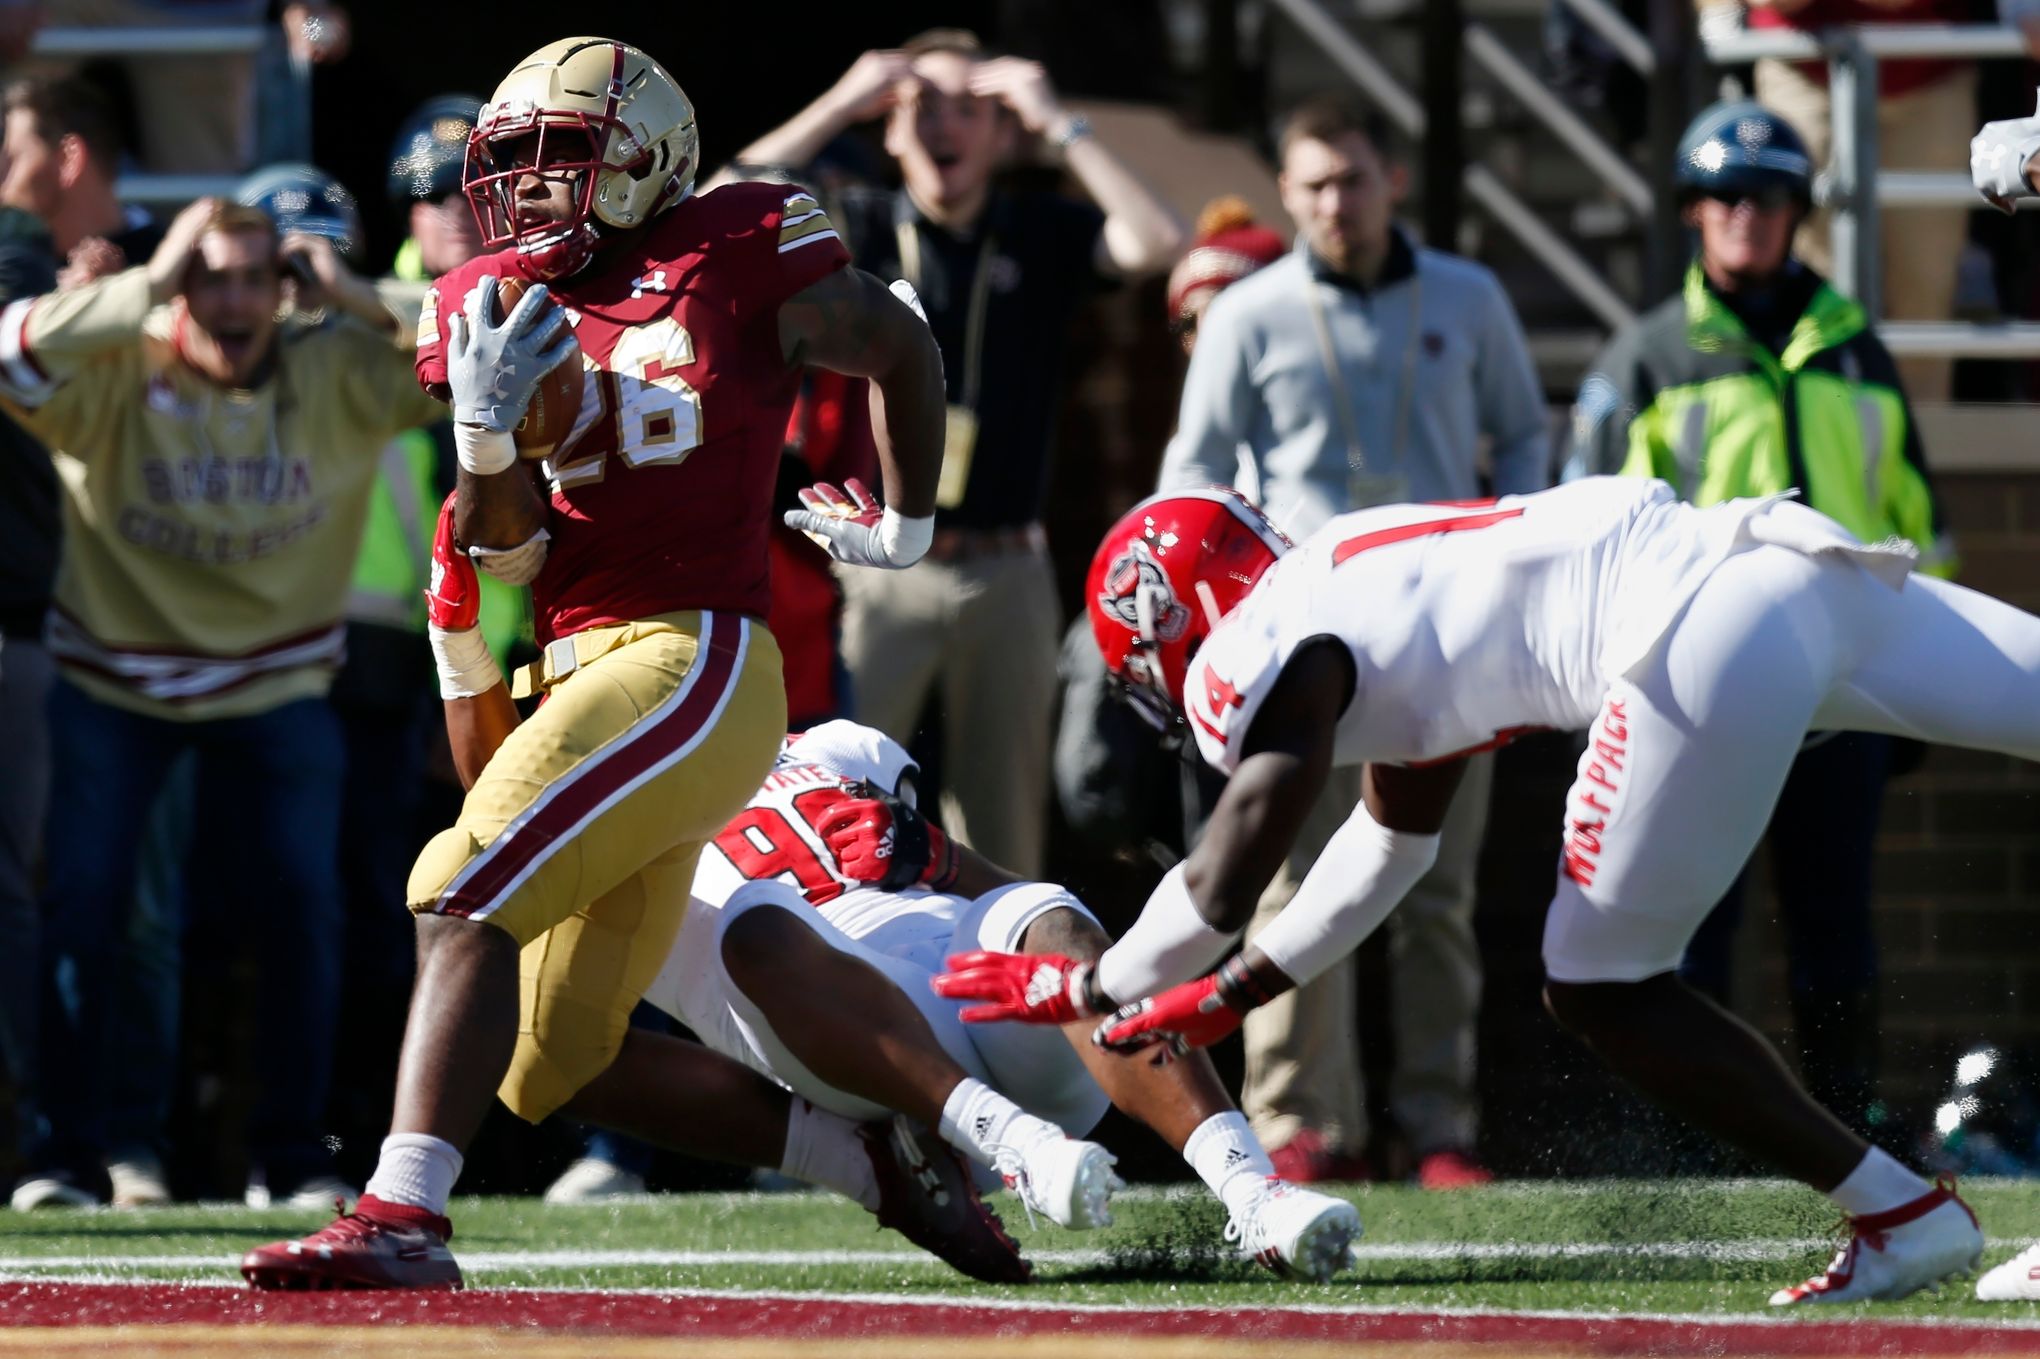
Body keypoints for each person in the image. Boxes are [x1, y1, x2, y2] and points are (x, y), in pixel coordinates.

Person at [937, 474, 2040, 1304]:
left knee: (1600, 984)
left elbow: (1230, 867)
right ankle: (1899, 1213)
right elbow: (1387, 848)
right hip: (1786, 559)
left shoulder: (1254, 647)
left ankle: (1897, 1213)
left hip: (1694, 629)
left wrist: (1093, 981)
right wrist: (1241, 990)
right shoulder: (1353, 577)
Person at [241, 36, 948, 1287]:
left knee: (458, 882)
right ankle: (866, 1163)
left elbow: (897, 338)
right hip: (579, 662)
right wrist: (482, 432)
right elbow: (505, 554)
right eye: (507, 166)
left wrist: (907, 520)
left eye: (559, 160)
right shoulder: (487, 301)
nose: (526, 193)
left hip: (697, 653)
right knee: (549, 1061)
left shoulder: (735, 248)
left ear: (647, 159)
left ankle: (402, 1215)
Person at [0, 192, 442, 1209]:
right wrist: (136, 292)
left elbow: (485, 360)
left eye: (257, 276)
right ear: (179, 287)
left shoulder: (336, 366)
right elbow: (10, 353)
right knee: (86, 909)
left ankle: (294, 1157)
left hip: (279, 679)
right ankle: (71, 1158)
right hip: (115, 680)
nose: (234, 299)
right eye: (211, 276)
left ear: (285, 289)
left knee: (305, 909)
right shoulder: (118, 362)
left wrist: (354, 294)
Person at [1155, 97, 1551, 1187]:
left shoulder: (1467, 299)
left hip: (1447, 630)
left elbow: (1523, 431)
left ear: (1396, 181)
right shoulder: (1248, 313)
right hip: (1301, 642)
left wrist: (1511, 546)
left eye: (1355, 180)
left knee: (1437, 895)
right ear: (1286, 192)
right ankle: (1300, 1121)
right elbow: (1191, 472)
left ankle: (1435, 1124)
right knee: (1286, 880)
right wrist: (1223, 597)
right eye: (1316, 184)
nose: (1337, 202)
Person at [1566, 100, 1953, 1133]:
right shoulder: (1645, 358)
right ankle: (1692, 1131)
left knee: (1836, 918)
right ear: (1694, 211)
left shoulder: (1855, 350)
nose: (1750, 215)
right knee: (1690, 920)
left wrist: (1919, 681)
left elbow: (1920, 520)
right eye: (1728, 196)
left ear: (1797, 213)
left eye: (1773, 197)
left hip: (1845, 695)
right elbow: (1590, 536)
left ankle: (1849, 1120)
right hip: (1696, 698)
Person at [725, 29, 1186, 876]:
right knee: (834, 799)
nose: (945, 127)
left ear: (1002, 135)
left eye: (969, 110)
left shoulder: (1040, 228)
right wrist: (840, 101)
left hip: (1007, 567)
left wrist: (1058, 122)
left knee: (1001, 834)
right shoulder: (858, 221)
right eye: (922, 108)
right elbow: (727, 204)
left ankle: (996, 1001)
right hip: (874, 562)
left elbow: (1157, 239)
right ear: (891, 131)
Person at [1742, 0, 1977, 402]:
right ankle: (1811, 442)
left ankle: (1913, 453)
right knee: (1810, 291)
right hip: (1801, 64)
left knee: (1922, 291)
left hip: (1931, 67)